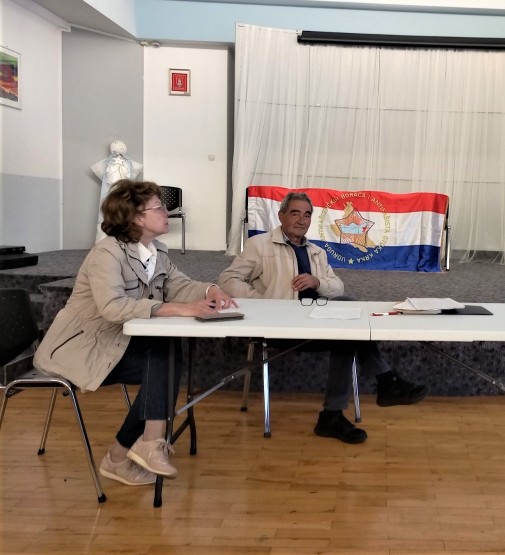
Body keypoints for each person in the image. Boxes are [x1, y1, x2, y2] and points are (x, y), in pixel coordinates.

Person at [34, 180, 237, 485]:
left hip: (117, 344)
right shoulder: (106, 254)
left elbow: (180, 285)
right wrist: (178, 309)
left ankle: (135, 448)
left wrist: (212, 290)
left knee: (164, 356)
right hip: (82, 349)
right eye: (160, 207)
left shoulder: (156, 252)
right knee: (163, 361)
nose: (167, 212)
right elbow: (113, 307)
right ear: (137, 218)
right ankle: (131, 451)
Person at [219, 191, 428, 444]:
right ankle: (377, 387)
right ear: (281, 215)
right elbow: (228, 280)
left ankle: (341, 411)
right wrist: (265, 302)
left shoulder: (317, 251)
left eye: (307, 215)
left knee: (349, 309)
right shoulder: (259, 245)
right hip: (280, 326)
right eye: (295, 213)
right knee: (346, 336)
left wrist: (317, 282)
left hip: (315, 320)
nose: (301, 220)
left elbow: (337, 287)